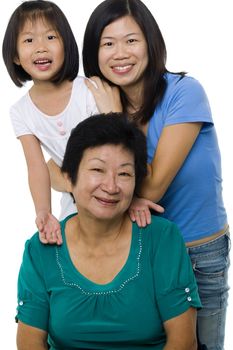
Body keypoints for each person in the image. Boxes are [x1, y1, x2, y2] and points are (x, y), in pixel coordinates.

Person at [48, 0, 230, 349]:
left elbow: (153, 186)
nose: (120, 53)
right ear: (93, 51)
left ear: (150, 42)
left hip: (196, 249)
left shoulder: (184, 93)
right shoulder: (90, 99)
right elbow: (52, 168)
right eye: (108, 43)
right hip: (134, 249)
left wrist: (115, 117)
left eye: (131, 40)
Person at [16, 113, 201, 350]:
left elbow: (184, 342)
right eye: (97, 170)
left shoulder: (162, 238)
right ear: (69, 178)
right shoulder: (40, 248)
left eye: (124, 174)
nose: (111, 186)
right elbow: (30, 341)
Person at [1, 0, 123, 245]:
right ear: (14, 55)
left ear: (66, 45)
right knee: (69, 247)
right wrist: (43, 211)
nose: (40, 48)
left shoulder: (88, 89)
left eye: (50, 37)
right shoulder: (21, 111)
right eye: (28, 40)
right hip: (74, 198)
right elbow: (36, 167)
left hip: (112, 186)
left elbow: (118, 145)